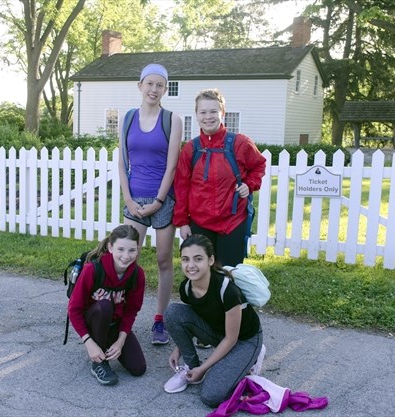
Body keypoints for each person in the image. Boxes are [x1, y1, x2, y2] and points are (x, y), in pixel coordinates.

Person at [119, 63, 183, 345]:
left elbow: (172, 167)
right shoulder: (128, 118)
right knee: (126, 258)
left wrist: (158, 201)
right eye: (150, 84)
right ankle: (121, 317)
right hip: (134, 201)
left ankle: (160, 320)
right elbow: (122, 162)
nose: (154, 89)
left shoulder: (172, 119)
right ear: (140, 86)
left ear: (164, 89)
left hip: (163, 201)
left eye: (160, 85)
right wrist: (128, 200)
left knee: (163, 259)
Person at [163, 234, 264, 408]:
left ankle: (254, 355)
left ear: (210, 260)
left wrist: (204, 369)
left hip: (244, 340)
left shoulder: (228, 291)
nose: (191, 265)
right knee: (172, 312)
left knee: (211, 396)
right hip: (218, 333)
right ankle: (190, 368)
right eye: (185, 259)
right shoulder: (187, 288)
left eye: (198, 259)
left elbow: (231, 339)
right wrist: (178, 349)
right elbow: (190, 320)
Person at [173, 88, 266, 268]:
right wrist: (183, 222)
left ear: (222, 113)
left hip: (233, 221)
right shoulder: (191, 149)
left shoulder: (240, 143)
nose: (208, 117)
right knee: (201, 272)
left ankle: (229, 296)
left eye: (213, 111)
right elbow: (181, 187)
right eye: (203, 112)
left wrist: (250, 184)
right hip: (200, 222)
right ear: (196, 115)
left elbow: (258, 165)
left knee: (229, 272)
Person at [68, 224, 147, 386]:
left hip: (114, 324)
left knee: (138, 368)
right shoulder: (93, 269)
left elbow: (131, 310)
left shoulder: (137, 275)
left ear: (138, 249)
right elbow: (73, 309)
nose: (126, 256)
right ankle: (99, 362)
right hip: (93, 320)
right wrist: (89, 343)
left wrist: (120, 340)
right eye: (121, 249)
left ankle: (108, 343)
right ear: (110, 247)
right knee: (104, 305)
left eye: (132, 250)